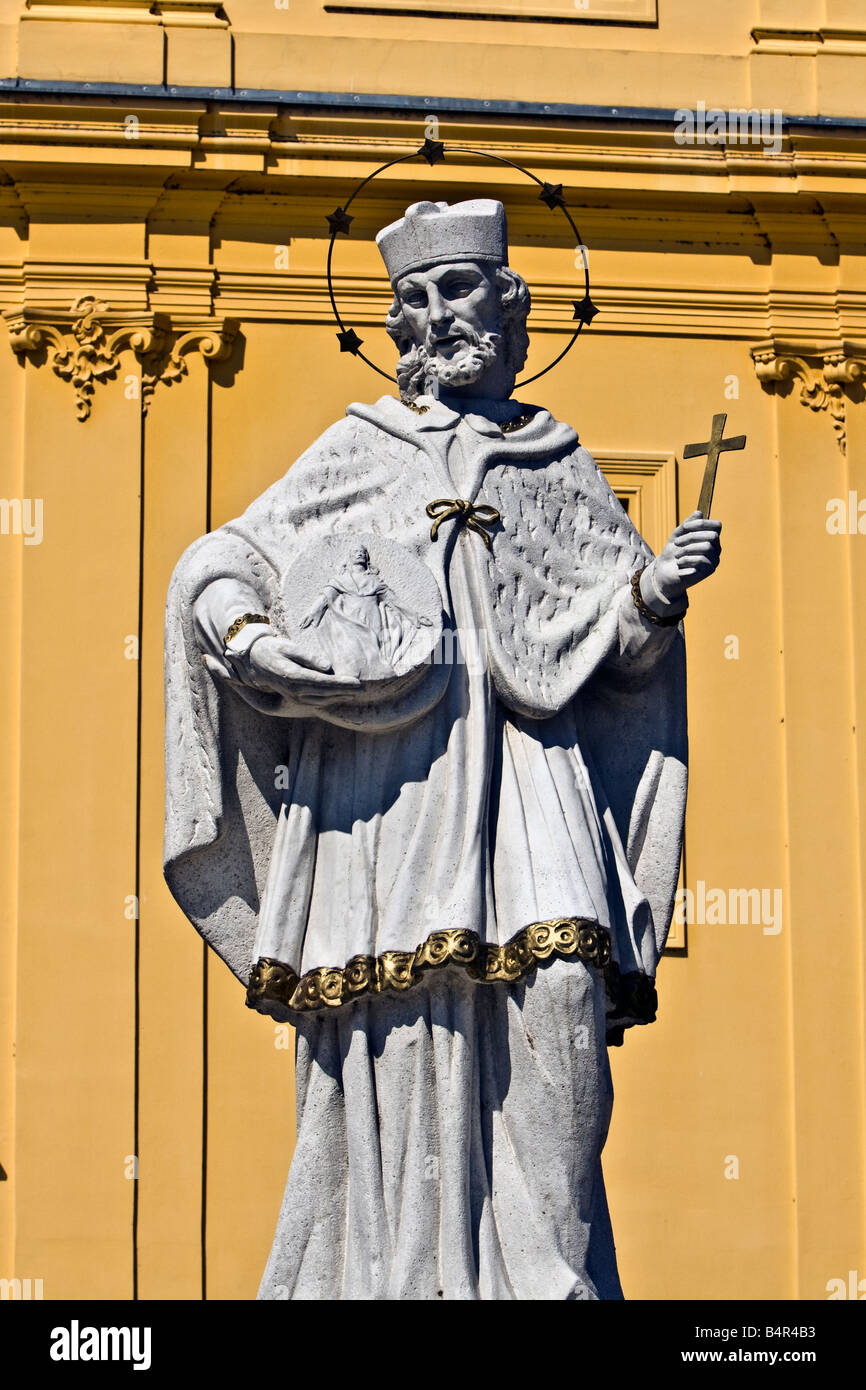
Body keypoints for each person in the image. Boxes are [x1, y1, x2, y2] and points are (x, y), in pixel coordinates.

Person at [164, 198, 722, 1300]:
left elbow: (607, 645)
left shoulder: (552, 462)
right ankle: (391, 1270)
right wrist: (249, 632)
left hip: (530, 769)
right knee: (394, 1010)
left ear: (509, 311)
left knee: (559, 983)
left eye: (460, 291)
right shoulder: (353, 450)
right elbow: (221, 560)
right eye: (413, 300)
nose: (434, 318)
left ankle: (550, 1274)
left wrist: (651, 596)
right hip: (388, 786)